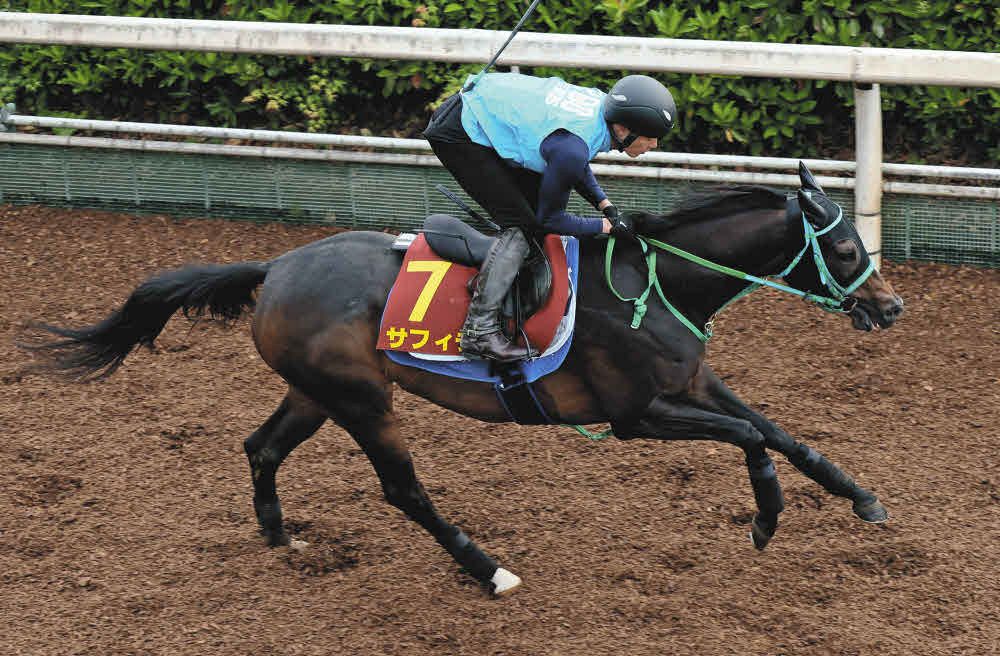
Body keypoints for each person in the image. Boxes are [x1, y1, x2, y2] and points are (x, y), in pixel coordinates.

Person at [423, 72, 676, 362]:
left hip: (484, 108)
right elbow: (551, 219)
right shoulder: (573, 147)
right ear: (622, 129)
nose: (654, 145)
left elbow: (574, 162)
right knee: (524, 225)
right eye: (650, 137)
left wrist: (605, 204)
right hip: (458, 133)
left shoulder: (598, 112)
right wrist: (603, 226)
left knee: (530, 216)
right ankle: (479, 332)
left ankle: (499, 277)